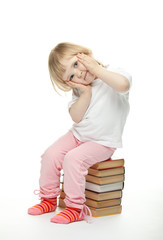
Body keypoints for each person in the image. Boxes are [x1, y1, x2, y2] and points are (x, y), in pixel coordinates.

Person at [28, 42, 132, 224]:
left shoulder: (114, 74)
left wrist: (96, 69)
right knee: (50, 155)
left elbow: (123, 85)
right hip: (78, 136)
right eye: (71, 75)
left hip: (103, 142)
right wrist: (85, 93)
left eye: (76, 64)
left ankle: (76, 208)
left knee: (73, 159)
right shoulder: (79, 90)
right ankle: (48, 199)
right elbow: (76, 118)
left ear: (84, 54)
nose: (79, 73)